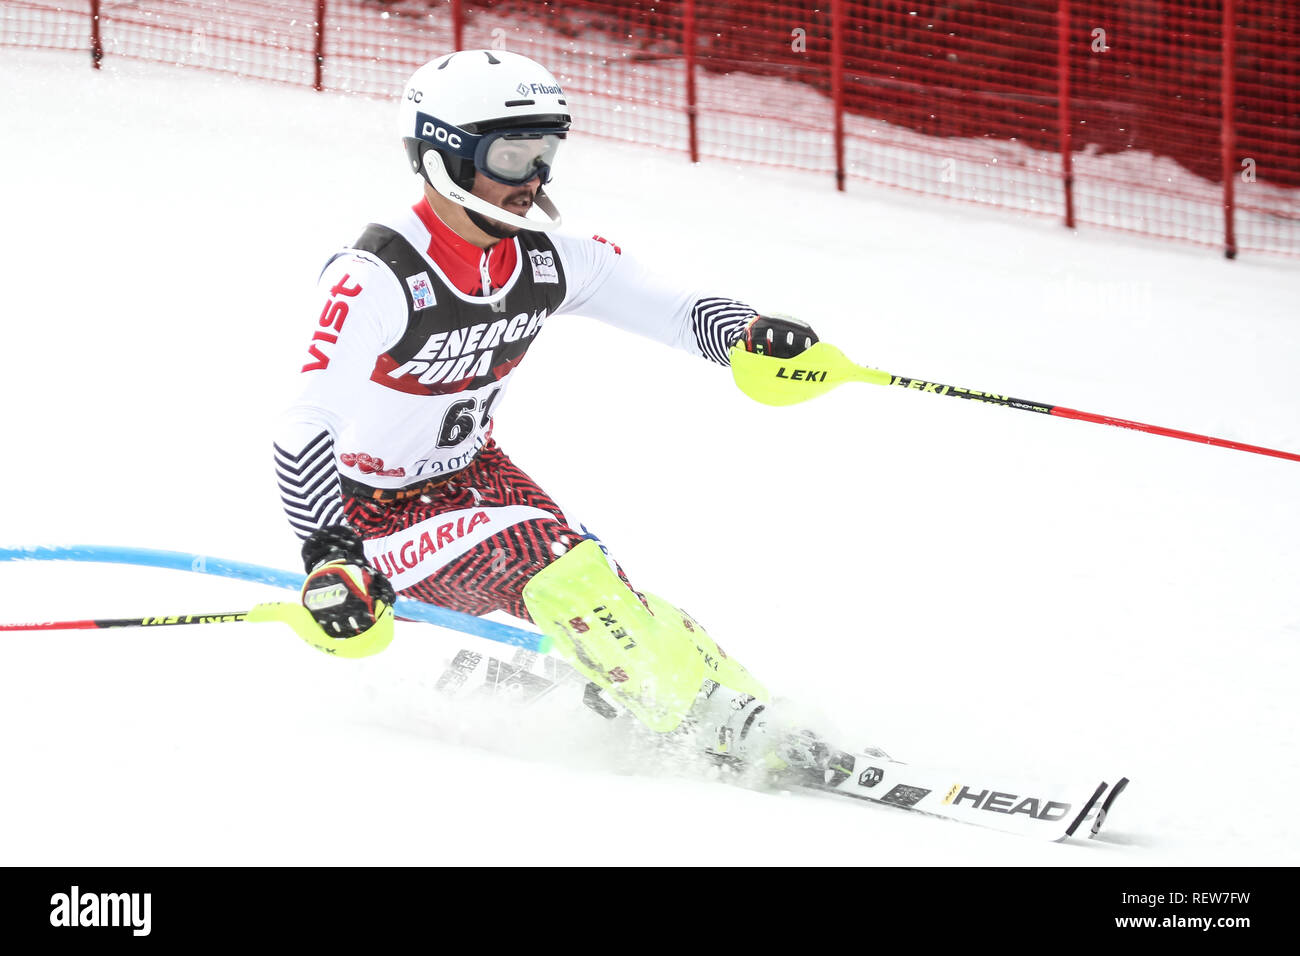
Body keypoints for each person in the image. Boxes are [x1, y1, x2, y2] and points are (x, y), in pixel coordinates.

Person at [274, 49, 822, 769]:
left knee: (606, 588)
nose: (533, 179)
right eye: (511, 154)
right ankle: (711, 727)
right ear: (444, 154)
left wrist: (747, 336)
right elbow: (304, 427)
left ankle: (748, 714)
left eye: (545, 152)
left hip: (475, 474)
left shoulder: (544, 260)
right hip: (373, 514)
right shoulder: (378, 276)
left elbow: (670, 305)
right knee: (559, 568)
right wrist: (330, 553)